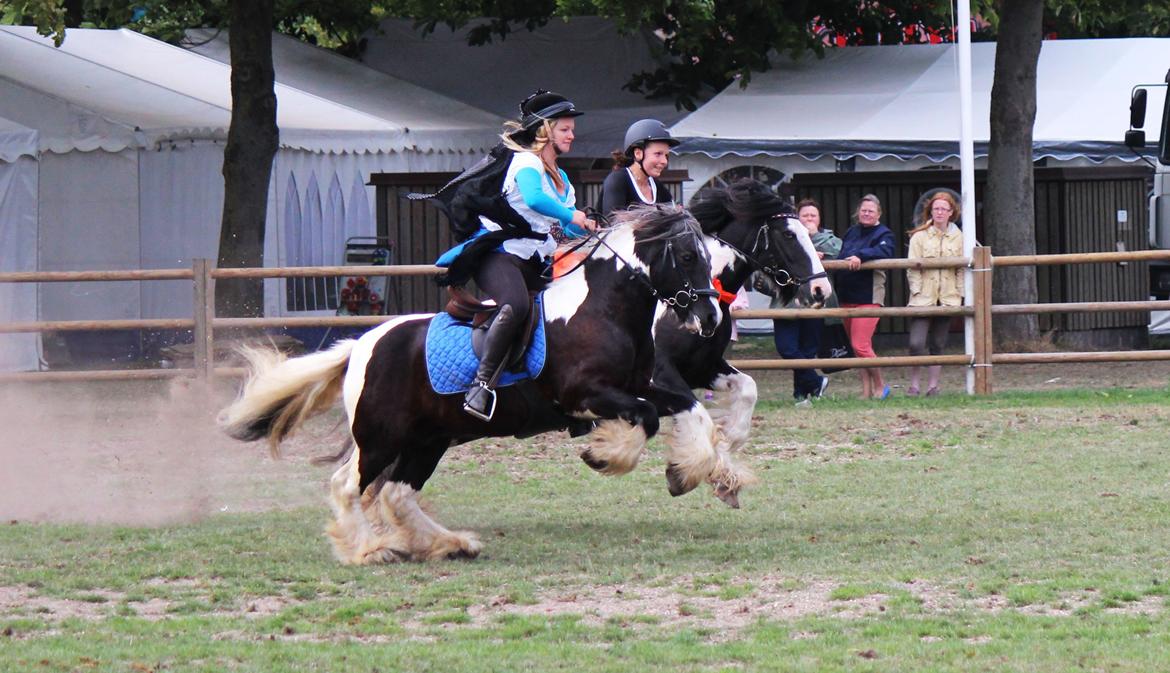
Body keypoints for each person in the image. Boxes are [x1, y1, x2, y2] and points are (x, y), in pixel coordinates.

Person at [447, 90, 595, 420]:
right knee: (515, 305)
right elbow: (534, 199)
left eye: (571, 129)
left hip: (535, 262)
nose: (572, 135)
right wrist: (573, 216)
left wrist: (587, 227)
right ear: (545, 130)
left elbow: (563, 228)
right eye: (565, 129)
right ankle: (480, 386)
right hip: (500, 257)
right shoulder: (526, 162)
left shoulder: (563, 179)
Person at [768, 198, 841, 405]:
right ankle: (816, 381)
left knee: (808, 351)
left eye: (813, 215)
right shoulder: (782, 242)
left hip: (816, 303)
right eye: (805, 215)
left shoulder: (828, 239)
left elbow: (840, 253)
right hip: (786, 305)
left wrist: (813, 240)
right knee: (787, 348)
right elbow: (761, 279)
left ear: (819, 219)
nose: (809, 219)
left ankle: (801, 395)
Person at [835, 194, 895, 400]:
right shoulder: (851, 232)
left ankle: (881, 386)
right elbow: (842, 254)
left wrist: (862, 256)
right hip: (846, 295)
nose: (866, 213)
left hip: (868, 297)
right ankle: (866, 391)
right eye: (863, 210)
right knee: (856, 347)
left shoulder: (884, 233)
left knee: (861, 345)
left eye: (870, 210)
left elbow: (885, 250)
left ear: (878, 213)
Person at [905, 190, 964, 396]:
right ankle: (914, 384)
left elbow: (961, 269)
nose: (939, 212)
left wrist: (959, 293)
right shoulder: (918, 236)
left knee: (938, 344)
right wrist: (917, 290)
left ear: (951, 213)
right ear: (930, 211)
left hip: (947, 298)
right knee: (916, 344)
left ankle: (933, 386)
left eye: (943, 209)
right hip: (923, 297)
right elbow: (912, 267)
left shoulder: (960, 238)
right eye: (936, 208)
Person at [597, 119, 679, 216]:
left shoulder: (657, 186)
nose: (664, 161)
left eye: (666, 155)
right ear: (638, 153)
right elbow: (612, 222)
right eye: (658, 154)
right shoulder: (617, 180)